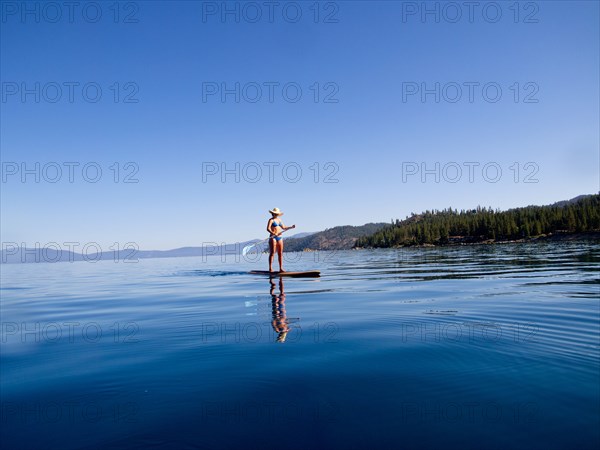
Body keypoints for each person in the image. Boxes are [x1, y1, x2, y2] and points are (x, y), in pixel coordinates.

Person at [266, 207, 295, 273]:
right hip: (273, 237)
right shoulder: (271, 220)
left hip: (279, 237)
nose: (275, 215)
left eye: (276, 214)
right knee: (272, 253)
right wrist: (273, 233)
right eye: (274, 213)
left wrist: (291, 227)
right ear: (272, 213)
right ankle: (270, 268)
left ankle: (281, 268)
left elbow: (284, 228)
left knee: (280, 253)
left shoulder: (279, 220)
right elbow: (268, 229)